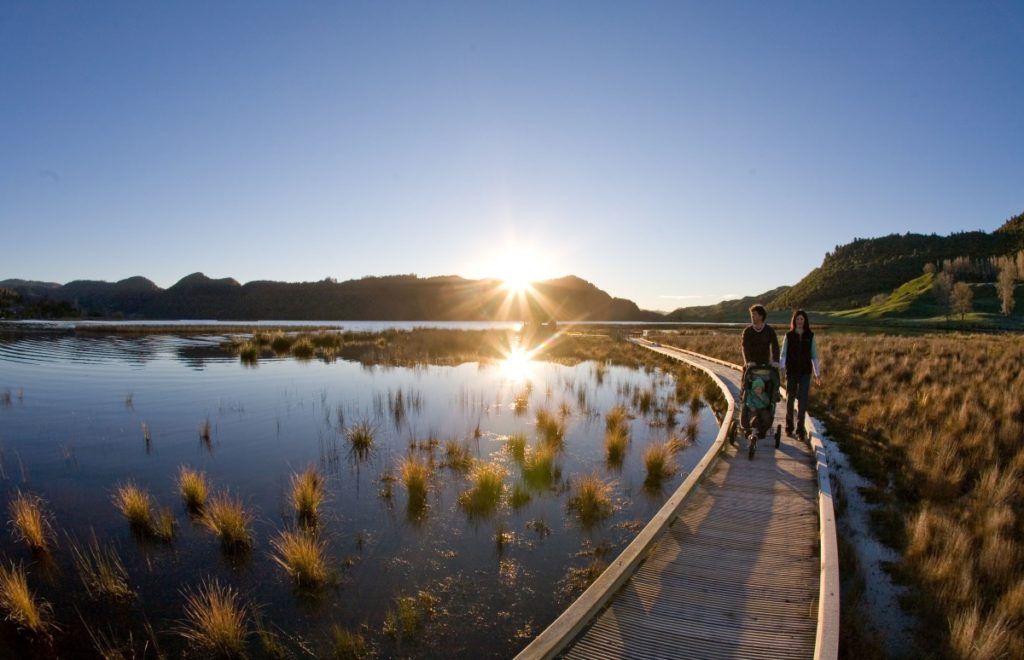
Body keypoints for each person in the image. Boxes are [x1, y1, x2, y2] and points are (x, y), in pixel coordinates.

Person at [779, 309, 822, 440]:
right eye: (797, 319)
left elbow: (814, 355)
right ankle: (789, 427)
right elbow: (783, 353)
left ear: (805, 321)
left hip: (805, 372)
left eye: (802, 319)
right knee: (790, 399)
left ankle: (800, 430)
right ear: (794, 320)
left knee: (802, 401)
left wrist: (817, 373)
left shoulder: (810, 335)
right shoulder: (789, 335)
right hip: (791, 371)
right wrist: (781, 368)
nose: (799, 321)